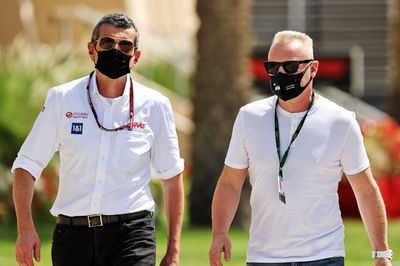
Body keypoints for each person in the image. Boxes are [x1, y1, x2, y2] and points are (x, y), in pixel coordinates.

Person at [12, 13, 184, 266]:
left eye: (125, 45)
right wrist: (25, 229)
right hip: (72, 236)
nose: (116, 50)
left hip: (132, 233)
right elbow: (26, 167)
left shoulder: (156, 105)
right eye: (107, 43)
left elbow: (171, 177)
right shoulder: (62, 99)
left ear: (136, 57)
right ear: (92, 50)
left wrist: (174, 250)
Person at [209, 30, 392, 266]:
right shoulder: (249, 117)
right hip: (264, 259)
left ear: (313, 69)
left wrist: (382, 253)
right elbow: (230, 182)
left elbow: (366, 191)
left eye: (291, 66)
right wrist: (219, 233)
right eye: (273, 67)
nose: (281, 74)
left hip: (324, 257)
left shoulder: (341, 121)